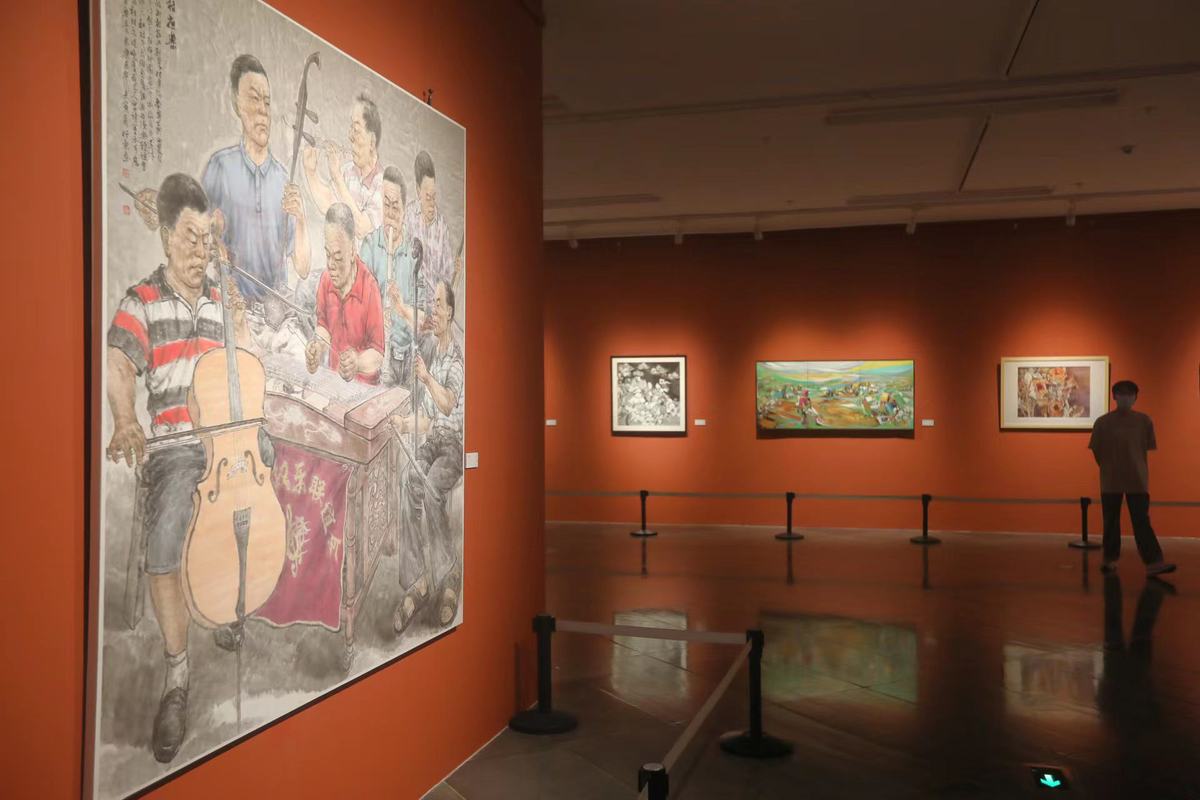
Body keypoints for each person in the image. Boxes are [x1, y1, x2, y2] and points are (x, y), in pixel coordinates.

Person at [106, 173, 249, 763]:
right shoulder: (142, 301)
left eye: (207, 239)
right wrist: (124, 419)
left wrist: (240, 319)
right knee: (165, 538)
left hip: (226, 442)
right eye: (190, 238)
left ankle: (228, 605)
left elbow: (245, 367)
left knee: (264, 485)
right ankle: (177, 673)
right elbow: (118, 365)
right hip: (173, 448)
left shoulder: (220, 299)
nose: (200, 251)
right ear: (166, 236)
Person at [189, 55, 310, 302]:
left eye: (267, 101)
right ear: (237, 104)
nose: (262, 110)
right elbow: (198, 236)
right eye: (254, 99)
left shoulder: (283, 179)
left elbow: (303, 268)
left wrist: (301, 220)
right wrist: (214, 239)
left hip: (277, 312)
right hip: (232, 307)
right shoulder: (220, 166)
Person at [390, 281, 463, 634]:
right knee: (410, 480)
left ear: (449, 311)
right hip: (433, 439)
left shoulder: (456, 359)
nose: (433, 310)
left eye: (437, 304)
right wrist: (405, 423)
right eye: (431, 304)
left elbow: (447, 404)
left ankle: (449, 575)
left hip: (452, 446)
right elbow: (428, 419)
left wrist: (426, 378)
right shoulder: (432, 351)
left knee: (433, 488)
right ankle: (418, 580)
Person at [1088, 380, 1176, 577]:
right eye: (1121, 393)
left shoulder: (1144, 421)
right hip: (1111, 480)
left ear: (1135, 397)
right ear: (1114, 396)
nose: (1125, 397)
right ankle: (1109, 559)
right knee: (1111, 521)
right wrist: (1108, 467)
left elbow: (1145, 447)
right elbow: (1096, 449)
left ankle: (1154, 562)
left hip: (1137, 479)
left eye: (1129, 394)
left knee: (1141, 521)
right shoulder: (1102, 422)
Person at [306, 203, 385, 383]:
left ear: (352, 251)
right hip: (334, 383)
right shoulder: (326, 280)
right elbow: (323, 327)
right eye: (328, 255)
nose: (331, 265)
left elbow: (378, 354)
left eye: (338, 257)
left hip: (364, 390)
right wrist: (318, 347)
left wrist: (357, 363)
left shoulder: (369, 288)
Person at [359, 166, 419, 386]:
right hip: (379, 354)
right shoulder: (369, 245)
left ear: (404, 208)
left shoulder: (414, 252)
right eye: (386, 205)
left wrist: (401, 308)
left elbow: (424, 318)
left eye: (396, 207)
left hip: (408, 357)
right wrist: (378, 315)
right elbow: (359, 302)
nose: (391, 214)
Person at [303, 92, 384, 241]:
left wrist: (337, 177)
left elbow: (361, 228)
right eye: (350, 128)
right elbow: (329, 205)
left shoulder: (383, 185)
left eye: (356, 130)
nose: (350, 136)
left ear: (372, 142)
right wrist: (311, 172)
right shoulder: (348, 171)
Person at [405, 150, 461, 305]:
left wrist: (456, 272)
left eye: (434, 197)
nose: (432, 204)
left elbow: (448, 279)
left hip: (434, 308)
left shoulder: (442, 228)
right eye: (427, 197)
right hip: (411, 304)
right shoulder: (408, 217)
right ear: (418, 191)